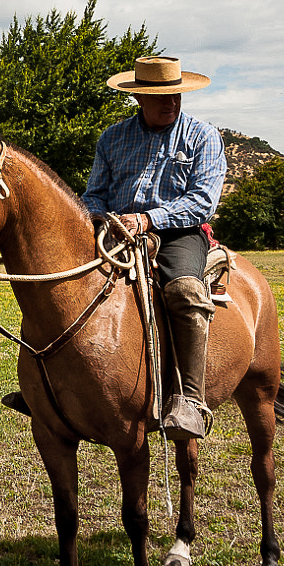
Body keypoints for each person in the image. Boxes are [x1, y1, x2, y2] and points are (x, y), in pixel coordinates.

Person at [81, 55, 226, 439]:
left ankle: (190, 400)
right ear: (138, 98)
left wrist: (147, 219)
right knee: (65, 281)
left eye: (177, 95)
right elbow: (94, 194)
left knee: (186, 292)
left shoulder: (202, 137)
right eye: (161, 96)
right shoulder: (112, 138)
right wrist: (102, 219)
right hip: (116, 231)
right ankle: (51, 385)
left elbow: (203, 201)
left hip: (178, 232)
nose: (172, 103)